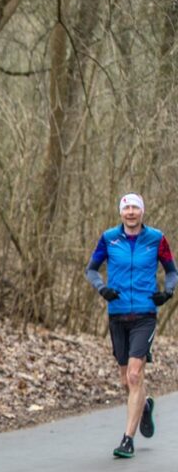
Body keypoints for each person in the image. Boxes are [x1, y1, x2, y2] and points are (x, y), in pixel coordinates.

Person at [85, 192, 177, 458]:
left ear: (142, 211)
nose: (131, 212)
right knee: (126, 380)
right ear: (121, 213)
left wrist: (167, 292)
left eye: (135, 208)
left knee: (135, 375)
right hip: (118, 314)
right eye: (127, 208)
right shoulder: (109, 238)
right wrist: (102, 289)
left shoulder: (156, 239)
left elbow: (172, 271)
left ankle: (127, 440)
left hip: (145, 314)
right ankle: (144, 405)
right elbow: (91, 269)